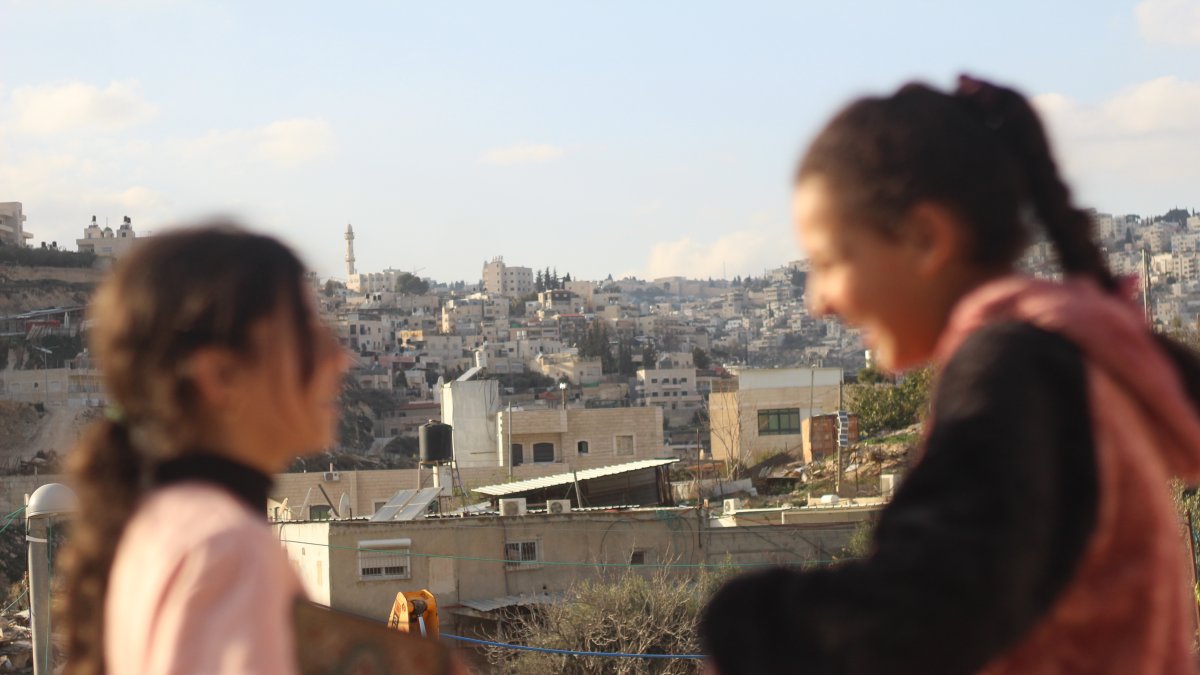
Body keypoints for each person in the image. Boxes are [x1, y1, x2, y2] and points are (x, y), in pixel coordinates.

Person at [699, 76, 1200, 674]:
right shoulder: (1073, 354)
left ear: (925, 237)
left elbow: (936, 604)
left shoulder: (1012, 370)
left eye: (830, 261)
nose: (817, 301)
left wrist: (747, 622)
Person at [57, 224, 352, 675]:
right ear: (220, 376)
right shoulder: (229, 554)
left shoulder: (161, 526)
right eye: (308, 336)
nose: (339, 356)